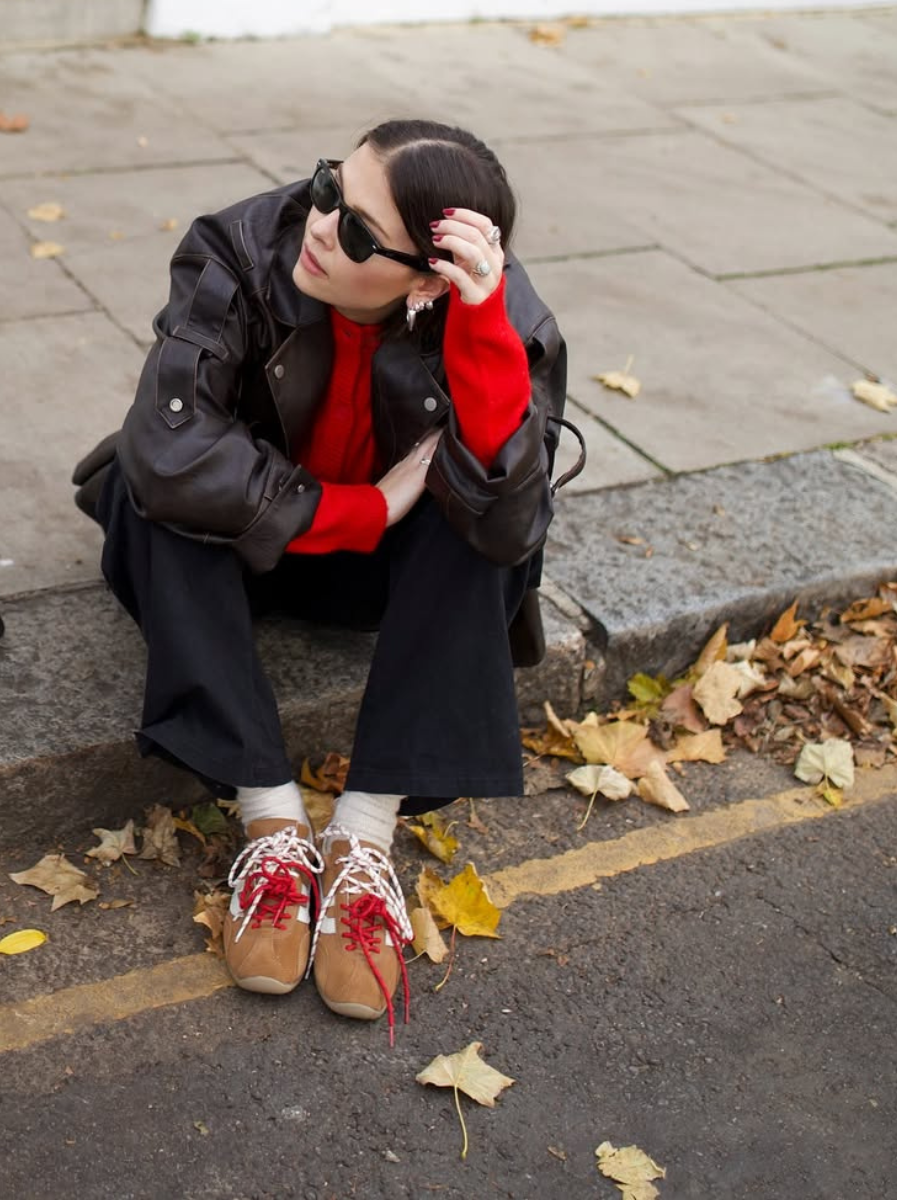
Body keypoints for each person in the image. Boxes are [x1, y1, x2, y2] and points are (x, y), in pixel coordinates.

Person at [77, 119, 569, 1039]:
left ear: (426, 279)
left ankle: (363, 836)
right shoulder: (235, 250)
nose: (320, 224)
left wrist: (480, 337)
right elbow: (171, 450)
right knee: (148, 496)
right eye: (329, 188)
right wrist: (366, 508)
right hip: (247, 551)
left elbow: (511, 525)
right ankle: (271, 824)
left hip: (379, 583)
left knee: (481, 516)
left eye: (356, 231)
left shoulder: (502, 314)